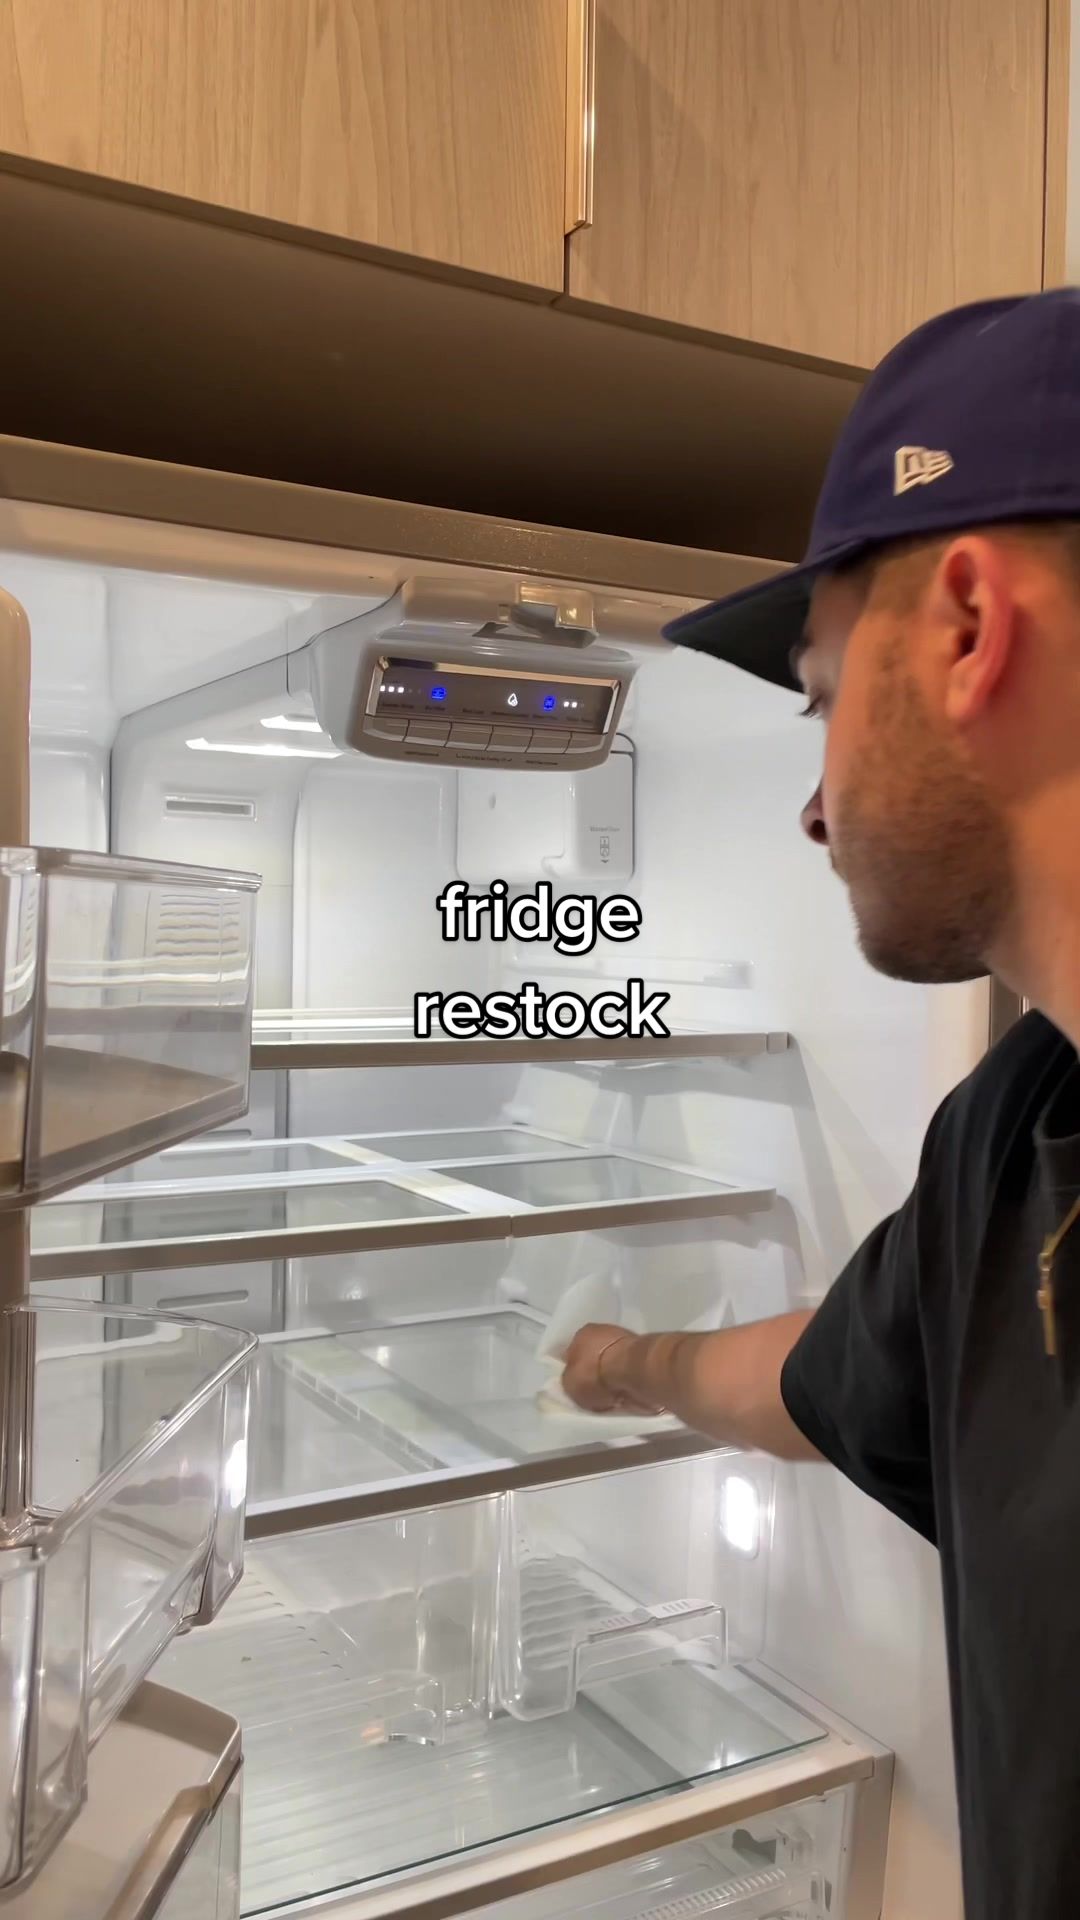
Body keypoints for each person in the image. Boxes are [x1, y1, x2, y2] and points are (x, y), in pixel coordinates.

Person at [560, 288, 1080, 1920]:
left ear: (969, 626)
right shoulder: (1014, 1133)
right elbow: (828, 1375)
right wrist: (625, 1365)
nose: (810, 805)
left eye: (824, 692)